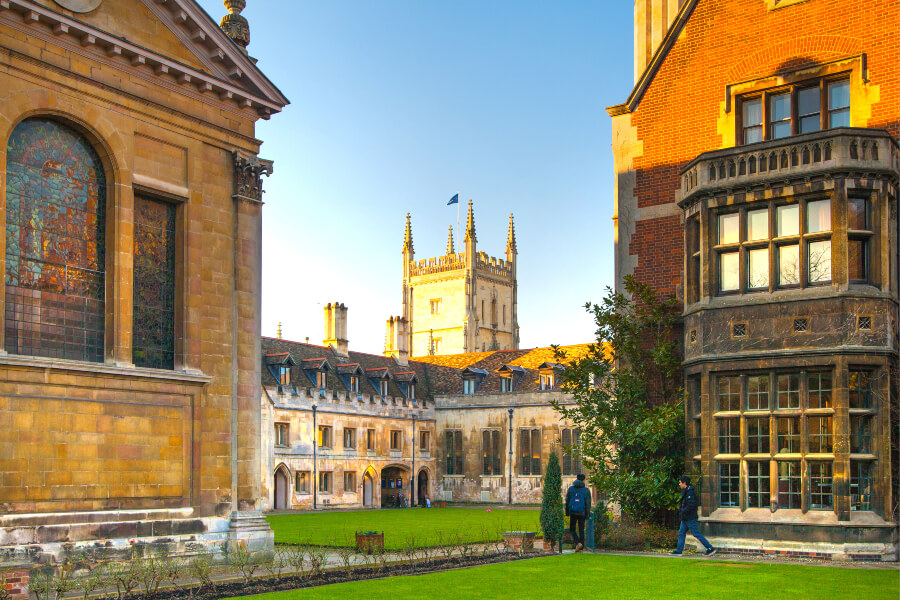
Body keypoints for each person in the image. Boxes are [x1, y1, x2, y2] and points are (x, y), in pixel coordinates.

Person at [671, 476, 716, 556]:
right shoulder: (686, 492)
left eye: (680, 482)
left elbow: (691, 506)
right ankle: (679, 550)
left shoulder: (690, 493)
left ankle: (710, 548)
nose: (679, 484)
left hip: (690, 518)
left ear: (684, 483)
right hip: (685, 518)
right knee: (681, 532)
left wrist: (683, 511)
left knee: (696, 533)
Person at [565, 474, 591, 552]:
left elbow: (567, 501)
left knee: (572, 529)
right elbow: (588, 504)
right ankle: (581, 546)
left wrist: (567, 512)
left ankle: (577, 543)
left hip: (573, 512)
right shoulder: (586, 490)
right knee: (581, 530)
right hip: (581, 513)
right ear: (583, 480)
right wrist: (587, 515)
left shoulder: (571, 489)